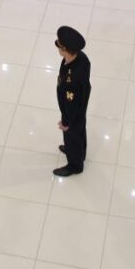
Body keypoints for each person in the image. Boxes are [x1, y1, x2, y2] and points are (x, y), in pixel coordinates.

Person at [54, 26, 91, 177]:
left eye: (59, 45)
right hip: (81, 106)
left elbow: (70, 105)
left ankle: (75, 165)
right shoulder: (82, 58)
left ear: (65, 50)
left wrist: (66, 122)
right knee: (80, 129)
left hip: (72, 113)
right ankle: (80, 153)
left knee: (71, 135)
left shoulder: (71, 80)